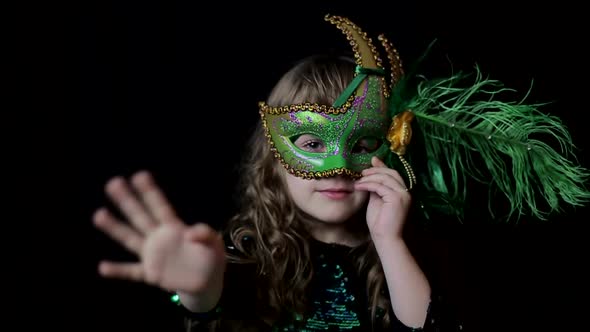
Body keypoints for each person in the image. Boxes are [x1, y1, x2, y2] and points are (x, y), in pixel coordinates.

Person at [93, 15, 590, 331]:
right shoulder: (246, 252)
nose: (337, 167)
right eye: (310, 143)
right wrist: (198, 289)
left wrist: (390, 242)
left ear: (389, 149)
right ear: (274, 154)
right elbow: (211, 305)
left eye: (362, 144)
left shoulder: (413, 251)